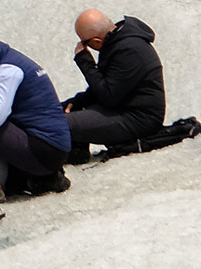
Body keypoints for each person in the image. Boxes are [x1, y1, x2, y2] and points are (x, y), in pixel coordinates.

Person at [0, 33, 73, 196]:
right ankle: (44, 179)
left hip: (43, 150)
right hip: (53, 149)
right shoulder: (14, 61)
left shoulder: (6, 71)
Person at [62, 10, 165, 161]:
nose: (83, 46)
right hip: (120, 108)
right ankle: (77, 154)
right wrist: (71, 103)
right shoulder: (116, 43)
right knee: (60, 114)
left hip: (139, 118)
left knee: (60, 124)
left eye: (85, 42)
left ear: (96, 41)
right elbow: (101, 88)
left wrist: (84, 61)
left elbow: (108, 96)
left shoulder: (130, 50)